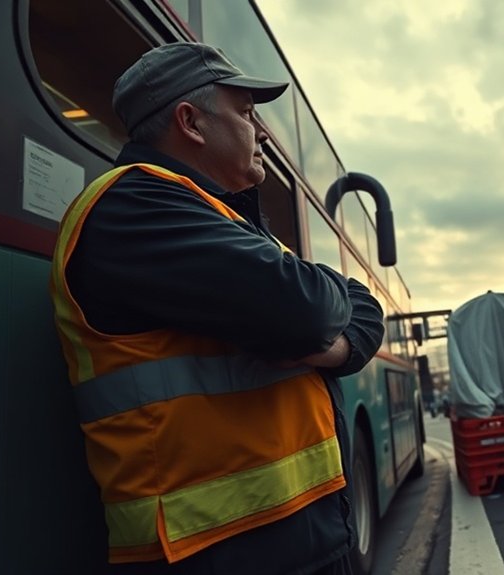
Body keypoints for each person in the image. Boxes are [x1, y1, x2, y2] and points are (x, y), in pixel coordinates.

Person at [49, 43, 384, 574]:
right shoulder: (134, 206)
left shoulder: (221, 221)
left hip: (292, 536)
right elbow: (309, 310)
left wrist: (336, 347)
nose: (263, 133)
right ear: (191, 122)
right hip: (215, 552)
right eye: (247, 114)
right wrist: (325, 317)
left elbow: (358, 304)